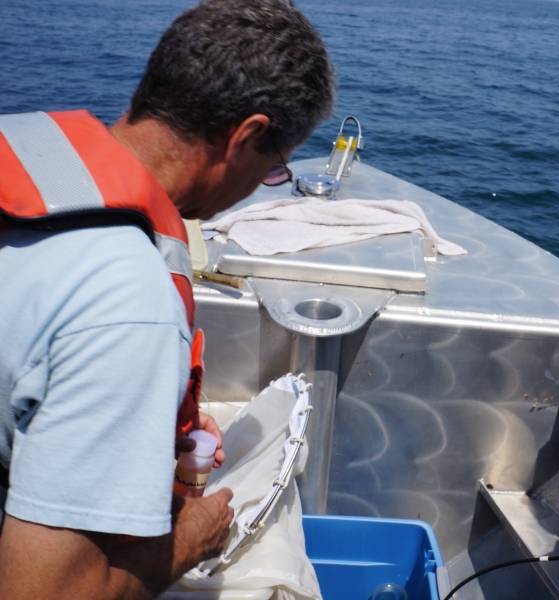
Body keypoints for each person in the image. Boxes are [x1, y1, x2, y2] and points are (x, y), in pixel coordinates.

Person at [0, 0, 335, 598]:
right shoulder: (130, 303)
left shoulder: (21, 145)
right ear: (248, 136)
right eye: (276, 167)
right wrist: (192, 540)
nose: (266, 185)